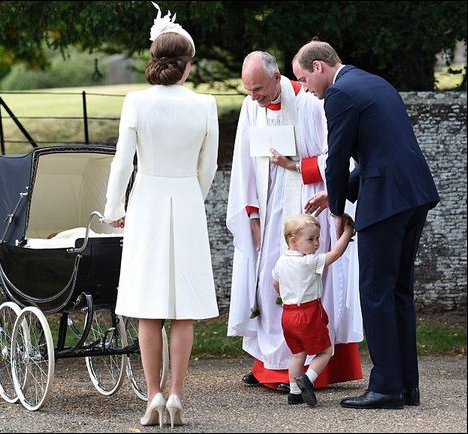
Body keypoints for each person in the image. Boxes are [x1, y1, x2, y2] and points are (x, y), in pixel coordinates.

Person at [292, 40, 440, 409]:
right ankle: (407, 385)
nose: (306, 88)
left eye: (304, 78)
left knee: (375, 291)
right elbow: (380, 150)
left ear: (320, 67)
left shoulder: (339, 94)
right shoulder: (374, 82)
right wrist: (336, 194)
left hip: (386, 201)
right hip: (413, 193)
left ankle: (386, 387)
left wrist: (337, 209)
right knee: (398, 291)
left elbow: (337, 159)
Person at [102, 2, 219, 427]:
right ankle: (176, 395)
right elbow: (208, 168)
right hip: (185, 201)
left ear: (155, 59)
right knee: (182, 309)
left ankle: (152, 395)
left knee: (147, 307)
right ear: (186, 64)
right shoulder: (205, 105)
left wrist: (115, 207)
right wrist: (193, 196)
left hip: (147, 201)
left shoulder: (135, 102)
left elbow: (121, 163)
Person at [227, 50, 364, 393]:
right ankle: (269, 366)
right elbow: (244, 159)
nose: (253, 96)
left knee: (311, 281)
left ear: (277, 79)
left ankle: (319, 368)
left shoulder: (311, 102)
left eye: (258, 88)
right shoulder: (250, 107)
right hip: (269, 203)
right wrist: (251, 213)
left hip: (307, 200)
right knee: (269, 283)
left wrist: (297, 166)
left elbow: (337, 152)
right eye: (248, 90)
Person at [273, 213, 355, 407]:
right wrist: (348, 232)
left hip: (288, 314)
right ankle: (308, 379)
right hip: (308, 313)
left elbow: (275, 284)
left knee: (297, 355)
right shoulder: (309, 262)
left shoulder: (281, 261)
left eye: (317, 238)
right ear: (293, 241)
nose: (316, 244)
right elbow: (335, 254)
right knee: (326, 350)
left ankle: (294, 394)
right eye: (311, 239)